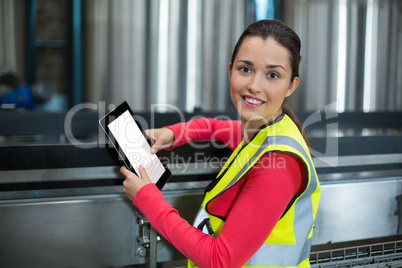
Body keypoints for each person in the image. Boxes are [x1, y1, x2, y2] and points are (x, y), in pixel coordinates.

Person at [120, 20, 321, 268]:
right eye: (245, 69)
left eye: (272, 75)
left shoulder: (277, 165)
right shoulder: (272, 129)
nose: (254, 86)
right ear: (230, 70)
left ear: (292, 85)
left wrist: (147, 199)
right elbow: (223, 128)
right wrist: (177, 133)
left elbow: (219, 259)